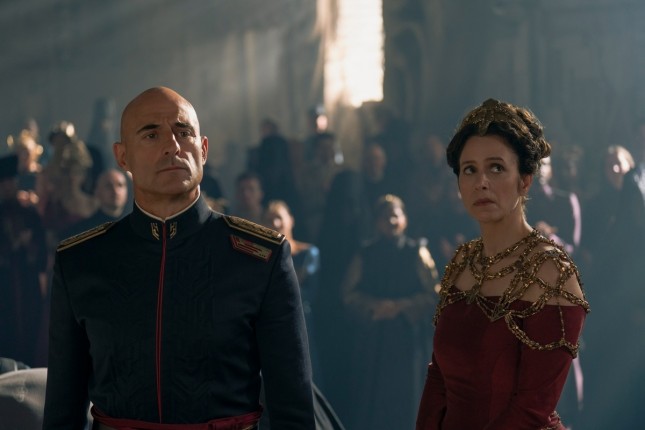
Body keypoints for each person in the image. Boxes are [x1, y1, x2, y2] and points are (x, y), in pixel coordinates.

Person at [42, 86, 314, 430]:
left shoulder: (259, 259)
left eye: (184, 133)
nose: (172, 146)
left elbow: (292, 409)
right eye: (151, 134)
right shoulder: (81, 261)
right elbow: (62, 412)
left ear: (203, 149)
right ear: (122, 157)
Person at [415, 98, 590, 430]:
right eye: (469, 169)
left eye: (496, 167)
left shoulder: (551, 272)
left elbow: (531, 408)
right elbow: (438, 376)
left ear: (525, 180)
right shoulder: (463, 261)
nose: (481, 181)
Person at [342, 194, 439, 430]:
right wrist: (374, 306)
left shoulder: (417, 252)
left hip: (407, 338)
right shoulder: (365, 254)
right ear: (377, 222)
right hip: (374, 338)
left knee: (408, 396)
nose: (392, 221)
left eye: (396, 216)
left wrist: (400, 307)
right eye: (385, 217)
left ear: (405, 219)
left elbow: (434, 294)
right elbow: (348, 294)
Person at [0, 154, 48, 367]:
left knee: (29, 328)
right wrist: (12, 246)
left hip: (28, 284)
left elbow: (41, 255)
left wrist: (29, 246)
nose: (7, 187)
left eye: (10, 182)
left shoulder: (29, 214)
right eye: (3, 183)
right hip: (4, 285)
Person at [61, 168, 129, 239]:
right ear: (97, 191)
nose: (115, 191)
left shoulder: (133, 225)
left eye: (120, 185)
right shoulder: (83, 231)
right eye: (108, 185)